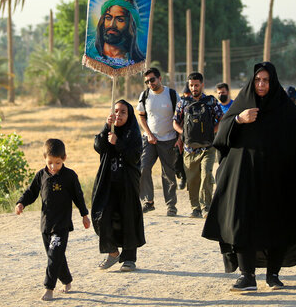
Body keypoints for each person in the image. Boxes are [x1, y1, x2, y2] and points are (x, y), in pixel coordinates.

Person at [202, 62, 296, 292]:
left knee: (278, 225)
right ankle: (247, 277)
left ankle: (273, 275)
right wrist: (239, 120)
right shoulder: (242, 106)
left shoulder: (286, 110)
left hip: (278, 181)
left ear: (273, 81)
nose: (261, 84)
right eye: (257, 80)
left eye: (265, 80)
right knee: (242, 225)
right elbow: (221, 138)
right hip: (244, 180)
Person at [16, 139, 91, 301]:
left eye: (57, 163)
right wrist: (21, 203)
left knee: (54, 255)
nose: (53, 167)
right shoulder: (40, 176)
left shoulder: (70, 176)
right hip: (45, 225)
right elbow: (31, 192)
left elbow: (78, 197)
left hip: (62, 225)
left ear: (64, 158)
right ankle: (66, 280)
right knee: (56, 256)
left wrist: (84, 215)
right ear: (45, 158)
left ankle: (49, 288)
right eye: (50, 163)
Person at [91, 100, 146, 272]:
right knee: (102, 215)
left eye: (123, 112)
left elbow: (134, 157)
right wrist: (106, 128)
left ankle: (129, 258)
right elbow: (98, 147)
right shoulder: (109, 131)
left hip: (128, 183)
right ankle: (113, 252)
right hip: (108, 182)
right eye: (116, 111)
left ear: (129, 115)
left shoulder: (133, 134)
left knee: (128, 218)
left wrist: (118, 143)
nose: (119, 114)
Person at [173, 72, 223, 218]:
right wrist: (183, 133)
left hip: (208, 147)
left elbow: (221, 118)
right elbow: (175, 121)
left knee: (206, 175)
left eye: (196, 85)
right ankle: (196, 209)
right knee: (193, 180)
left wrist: (211, 131)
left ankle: (206, 207)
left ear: (202, 84)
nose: (194, 88)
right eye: (191, 85)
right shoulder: (183, 103)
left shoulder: (211, 102)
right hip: (189, 149)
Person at [137, 68, 182, 216]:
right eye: (147, 81)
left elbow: (181, 117)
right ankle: (148, 202)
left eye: (152, 80)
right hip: (150, 140)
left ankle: (171, 206)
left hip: (169, 140)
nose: (150, 83)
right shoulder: (144, 96)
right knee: (143, 168)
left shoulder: (171, 94)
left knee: (168, 173)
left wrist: (180, 138)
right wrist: (149, 134)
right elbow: (142, 117)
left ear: (160, 78)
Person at [93, 0, 145, 64]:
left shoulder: (137, 63)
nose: (112, 24)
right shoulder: (91, 55)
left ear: (130, 25)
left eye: (120, 20)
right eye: (108, 18)